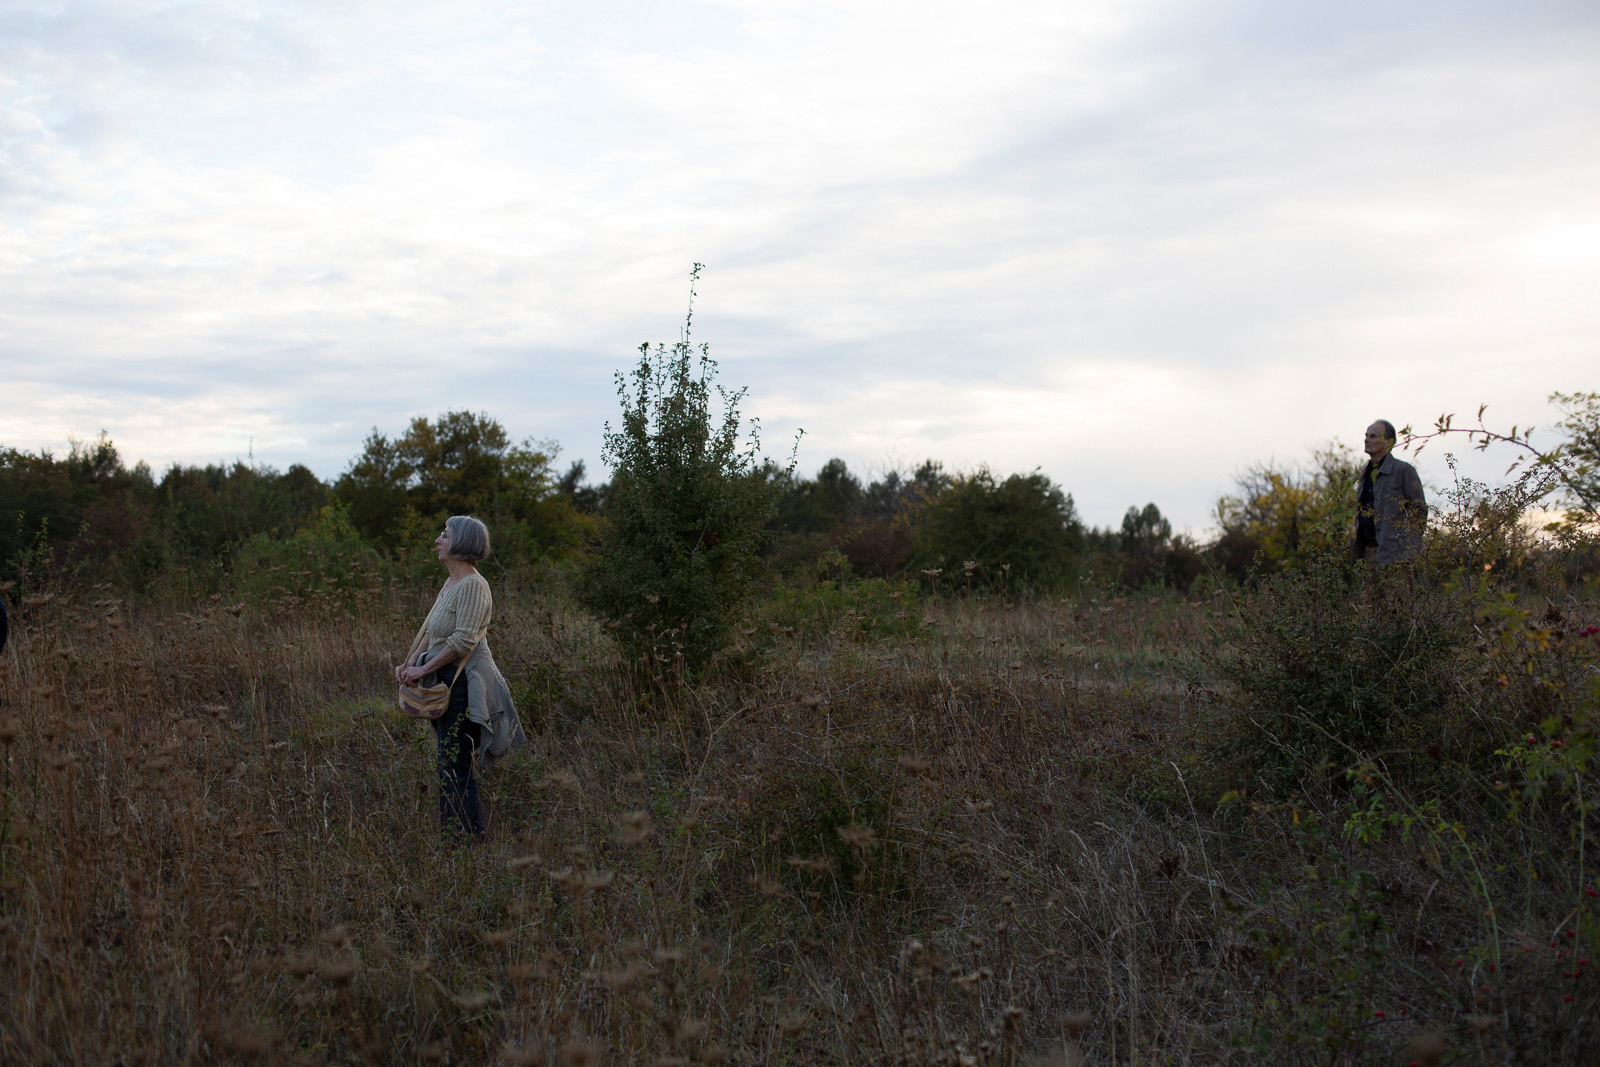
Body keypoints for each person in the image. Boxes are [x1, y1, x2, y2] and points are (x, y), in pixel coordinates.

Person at [394, 515, 526, 842]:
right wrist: (408, 663)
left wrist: (422, 670)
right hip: (445, 678)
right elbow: (433, 631)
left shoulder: (474, 585)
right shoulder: (450, 583)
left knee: (454, 763)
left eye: (444, 535)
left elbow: (463, 641)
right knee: (447, 760)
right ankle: (457, 840)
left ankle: (467, 844)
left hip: (464, 682)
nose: (438, 541)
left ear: (460, 543)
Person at [1352, 419, 1427, 564]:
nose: (1366, 439)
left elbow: (1419, 512)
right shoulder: (1364, 474)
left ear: (1389, 442)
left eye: (1373, 436)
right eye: (1366, 435)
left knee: (1396, 588)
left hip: (1397, 558)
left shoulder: (1403, 470)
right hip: (1368, 555)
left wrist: (1408, 550)